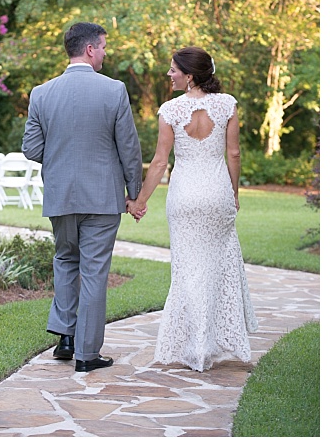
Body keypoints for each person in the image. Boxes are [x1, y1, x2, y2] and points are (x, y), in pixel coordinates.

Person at [22, 22, 142, 373]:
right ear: (90, 49)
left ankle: (66, 338)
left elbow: (31, 148)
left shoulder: (41, 93)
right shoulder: (114, 90)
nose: (106, 52)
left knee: (65, 261)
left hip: (61, 195)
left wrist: (61, 159)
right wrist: (134, 193)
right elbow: (129, 149)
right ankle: (87, 355)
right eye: (103, 47)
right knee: (93, 272)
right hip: (102, 197)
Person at [128, 47, 258, 371]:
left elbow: (160, 162)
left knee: (187, 272)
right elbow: (234, 154)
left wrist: (140, 201)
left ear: (189, 75)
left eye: (173, 70)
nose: (169, 75)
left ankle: (193, 346)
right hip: (217, 194)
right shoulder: (227, 104)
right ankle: (210, 344)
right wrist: (234, 193)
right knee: (218, 269)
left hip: (184, 197)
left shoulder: (170, 110)